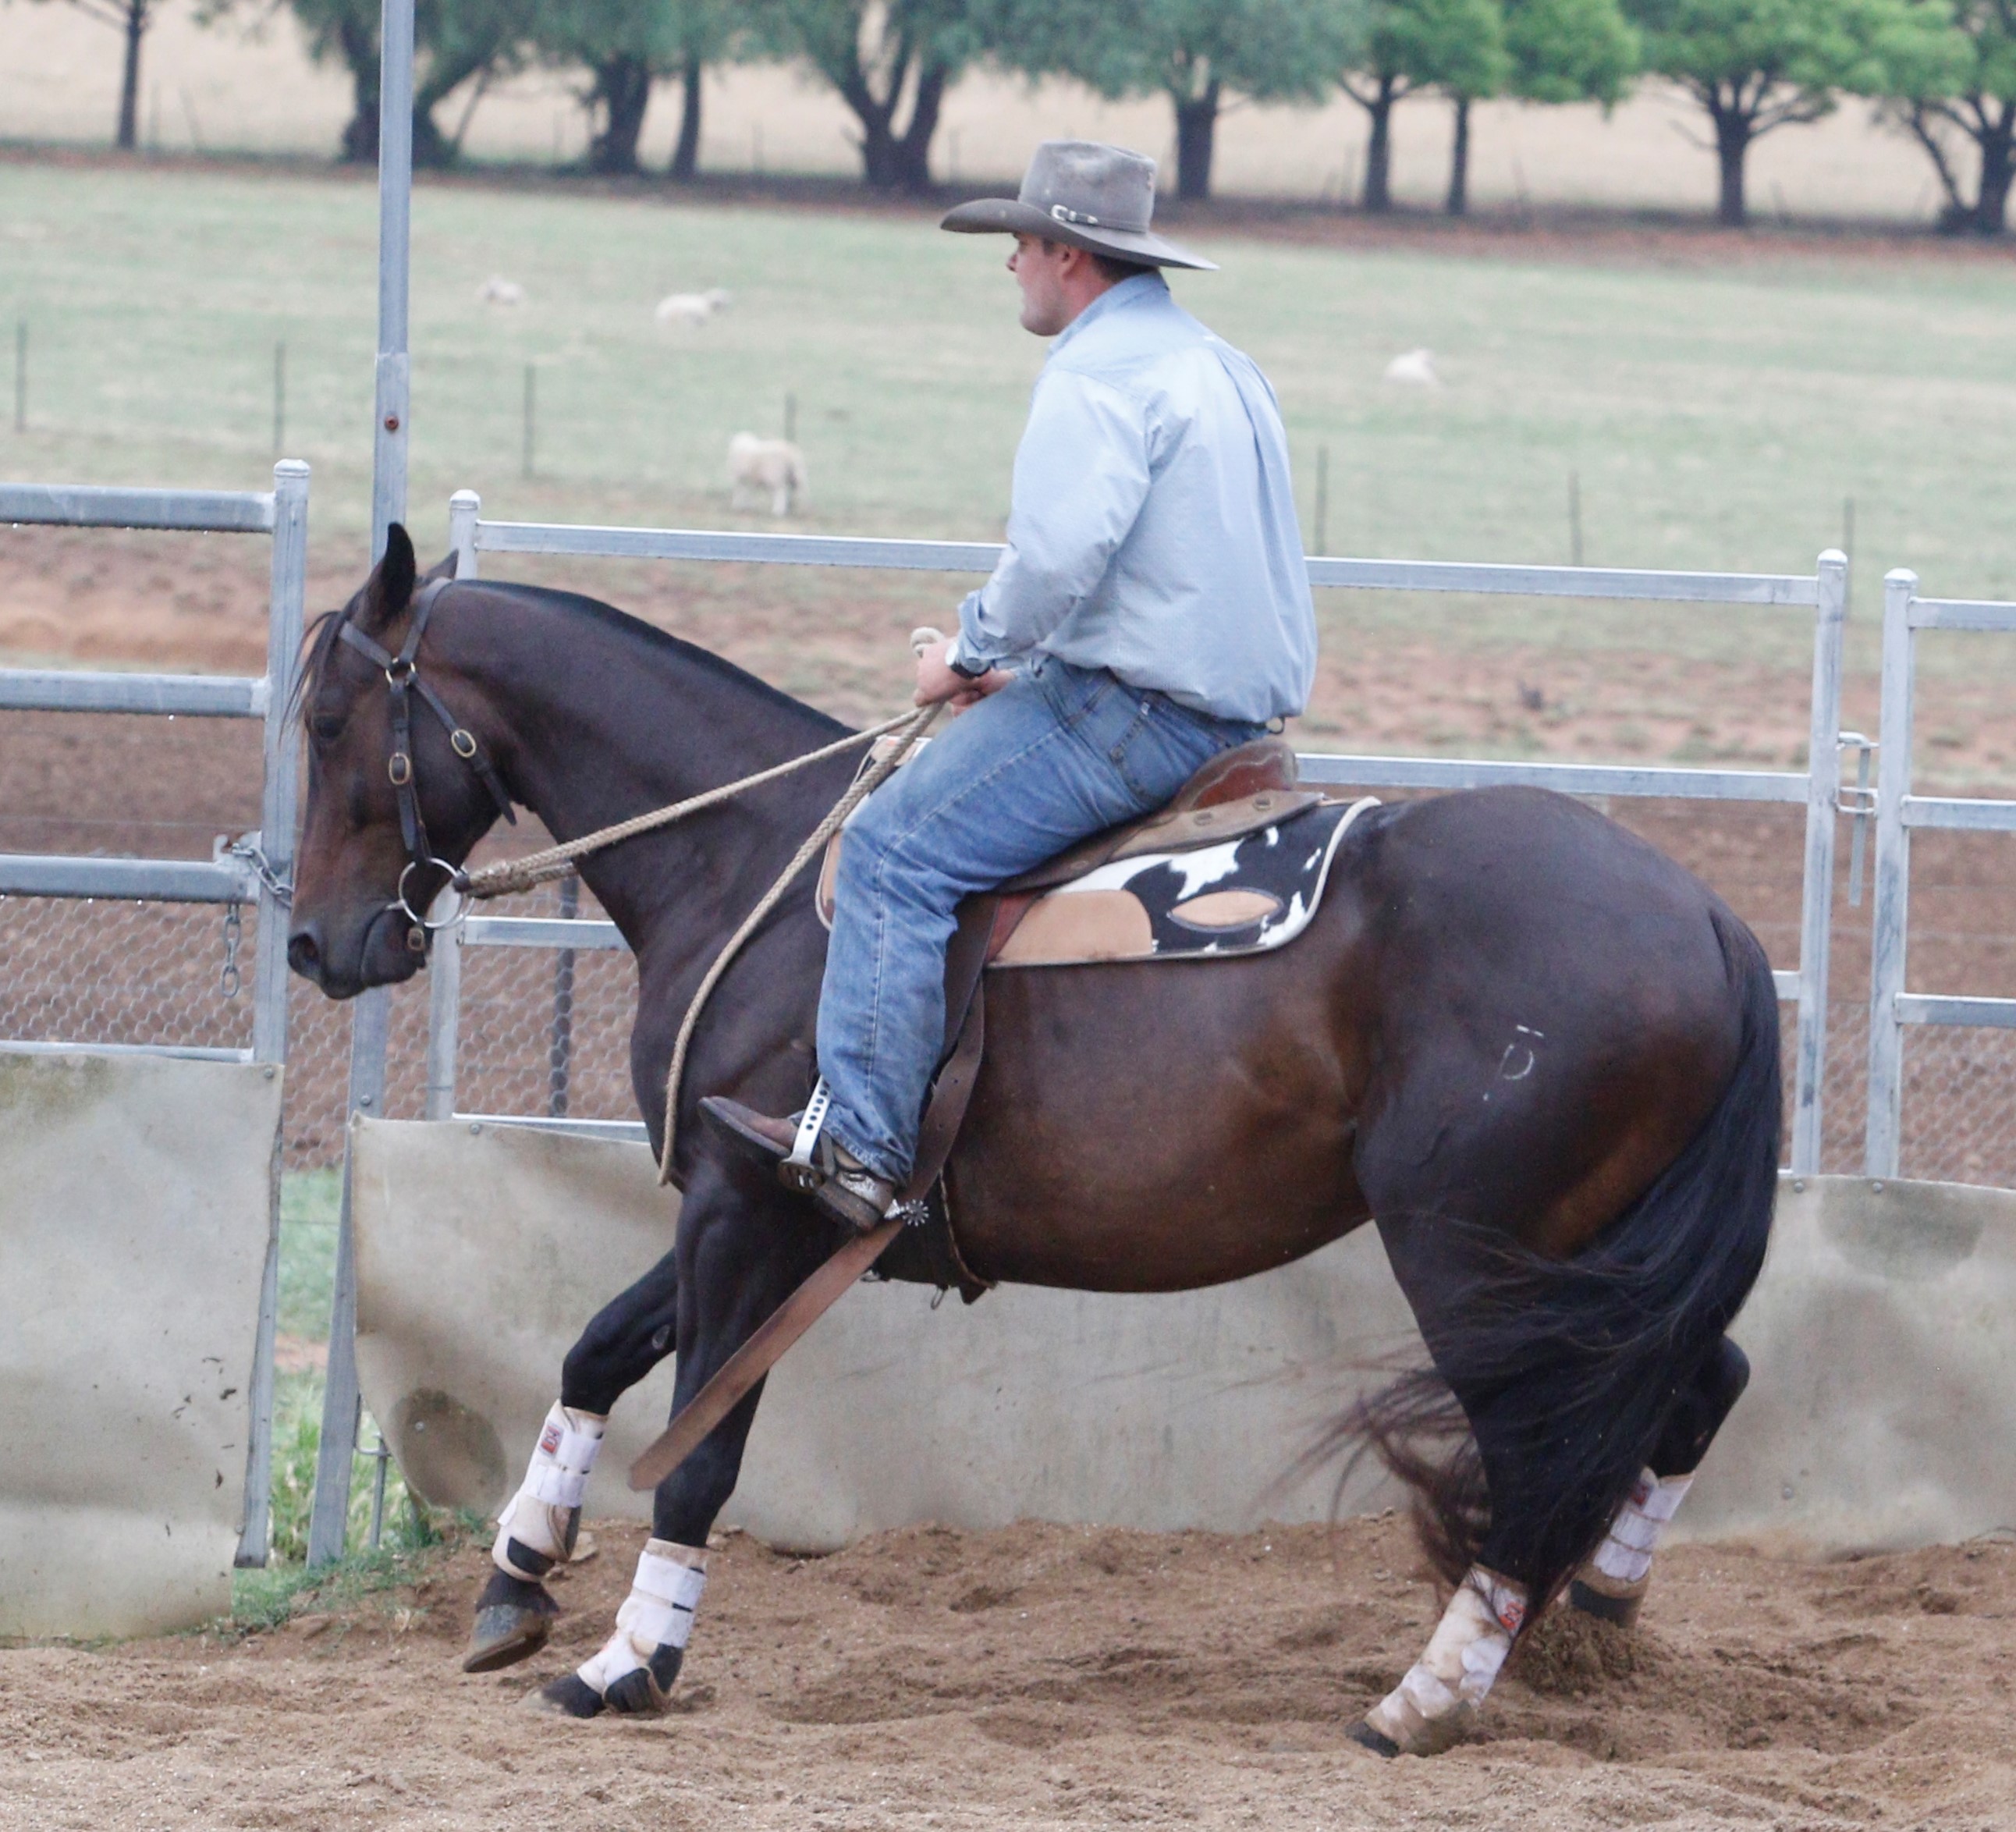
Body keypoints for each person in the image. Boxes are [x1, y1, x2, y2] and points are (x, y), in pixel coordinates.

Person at [704, 139, 1317, 1230]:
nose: (1010, 264)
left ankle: (864, 1148)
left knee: (891, 849)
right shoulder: (1222, 364)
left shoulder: (1097, 373)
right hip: (1235, 717)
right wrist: (1032, 670)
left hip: (1134, 718)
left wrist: (970, 654)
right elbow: (1169, 567)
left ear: (1068, 255)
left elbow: (1057, 557)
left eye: (1021, 243)